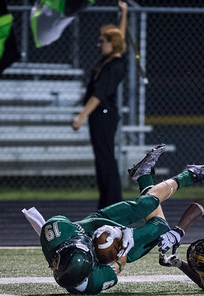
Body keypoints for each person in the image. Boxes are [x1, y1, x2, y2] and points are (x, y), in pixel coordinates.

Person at [23, 144, 204, 295]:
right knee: (159, 227)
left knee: (145, 205)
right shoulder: (93, 283)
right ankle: (144, 175)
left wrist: (102, 232)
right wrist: (122, 244)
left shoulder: (56, 234)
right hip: (118, 249)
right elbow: (119, 266)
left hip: (93, 224)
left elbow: (82, 227)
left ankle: (190, 175)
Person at [72, 0, 129, 208]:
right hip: (101, 115)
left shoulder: (115, 65)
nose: (99, 44)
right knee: (102, 159)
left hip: (104, 115)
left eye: (102, 41)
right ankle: (106, 201)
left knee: (105, 159)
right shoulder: (112, 59)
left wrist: (81, 116)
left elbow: (99, 94)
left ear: (110, 44)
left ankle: (111, 202)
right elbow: (120, 38)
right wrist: (124, 13)